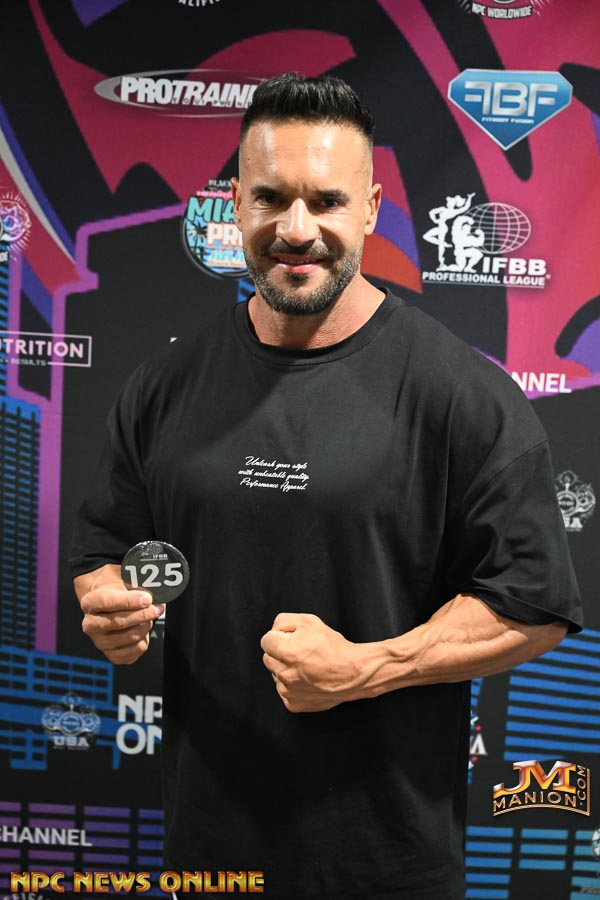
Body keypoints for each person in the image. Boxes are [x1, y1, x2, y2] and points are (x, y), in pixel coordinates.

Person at [71, 73, 582, 900]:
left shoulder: (462, 395)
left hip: (389, 868)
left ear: (371, 209)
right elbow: (103, 551)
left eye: (328, 202)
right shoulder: (166, 386)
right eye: (271, 199)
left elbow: (533, 606)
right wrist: (108, 606)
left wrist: (369, 667)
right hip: (209, 858)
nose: (297, 230)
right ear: (235, 204)